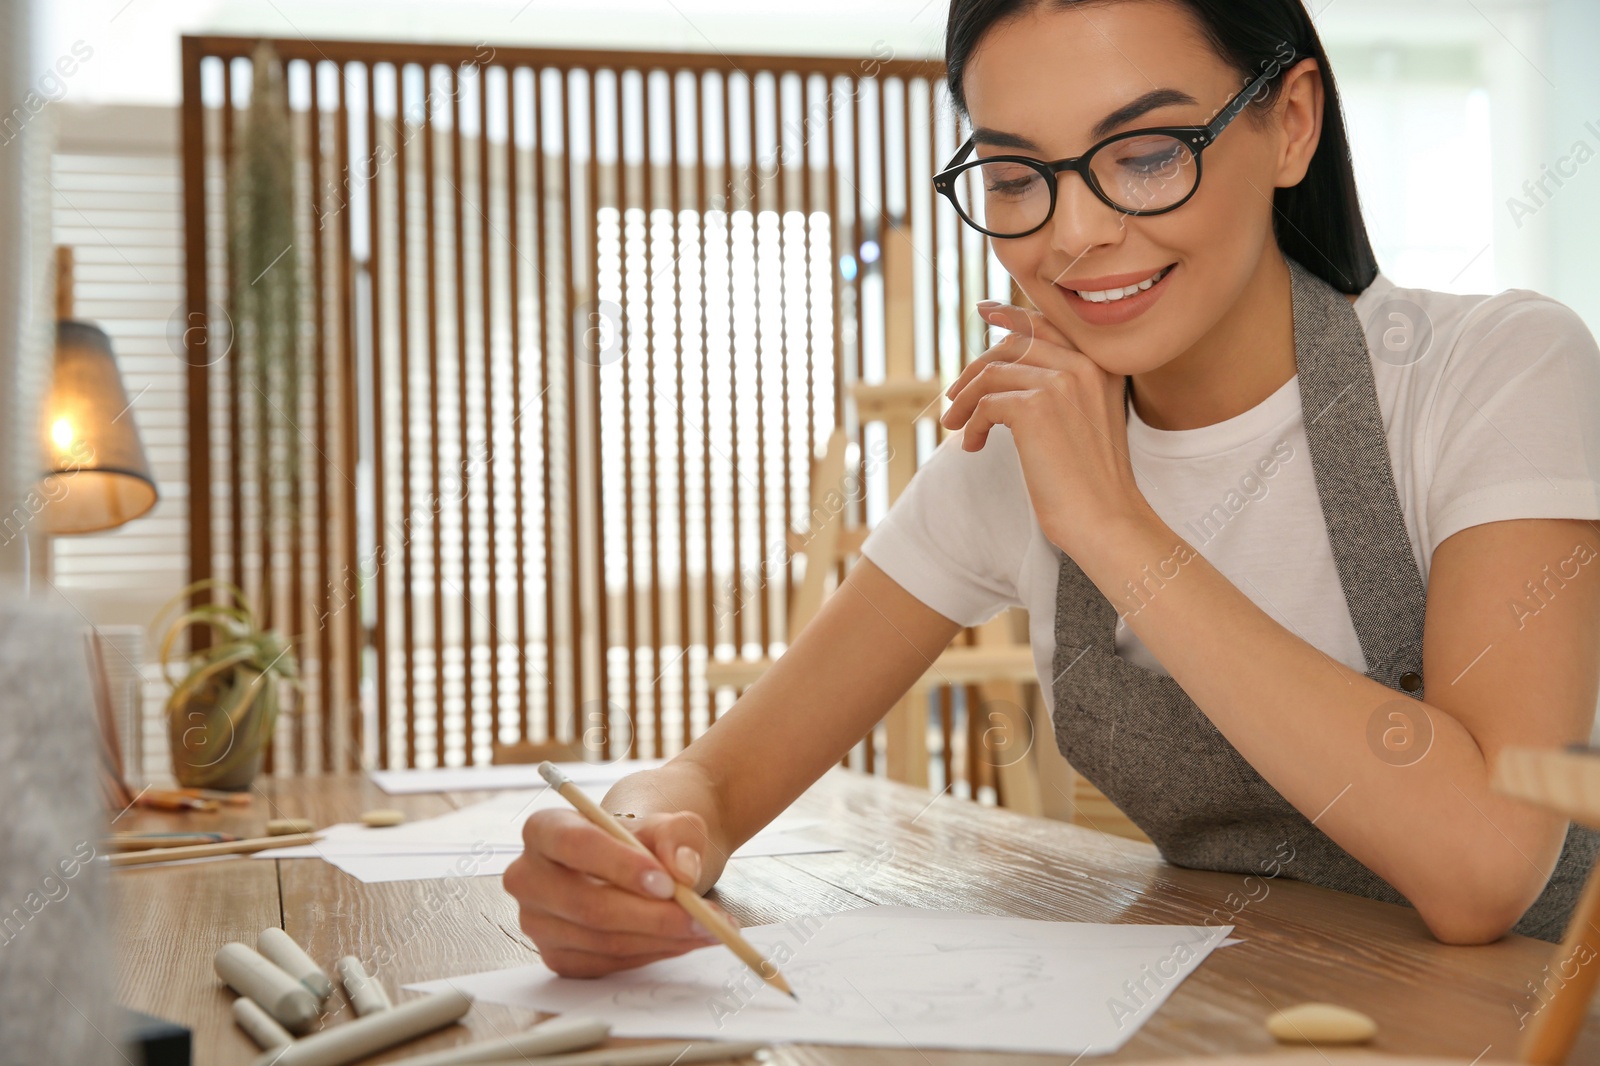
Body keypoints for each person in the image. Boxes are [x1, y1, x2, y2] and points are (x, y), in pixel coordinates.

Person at [502, 0, 1600, 974]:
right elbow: (717, 779)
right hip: (1251, 1013)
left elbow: (1484, 871)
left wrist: (1111, 524)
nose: (1074, 235)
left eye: (1148, 152)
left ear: (1291, 122)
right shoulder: (1011, 452)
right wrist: (632, 848)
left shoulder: (1497, 371)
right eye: (1017, 177)